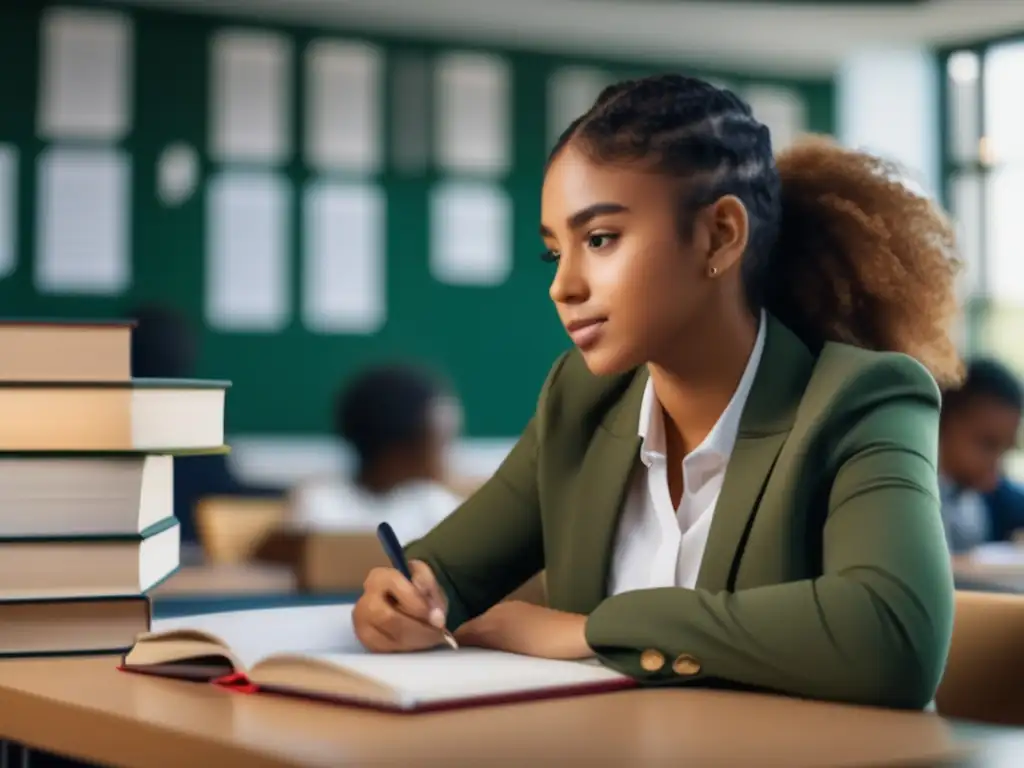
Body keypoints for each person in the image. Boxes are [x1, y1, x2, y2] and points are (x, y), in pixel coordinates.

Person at [352, 74, 962, 710]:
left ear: (720, 235)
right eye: (553, 252)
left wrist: (591, 632)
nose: (563, 286)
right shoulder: (579, 402)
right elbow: (445, 574)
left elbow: (893, 639)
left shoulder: (861, 401)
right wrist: (404, 597)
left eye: (600, 240)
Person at [129, 304, 282, 544]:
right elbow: (222, 494)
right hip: (190, 552)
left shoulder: (89, 417)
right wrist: (286, 495)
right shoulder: (198, 413)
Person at [288, 363, 464, 542]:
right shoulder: (319, 505)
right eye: (439, 444)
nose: (451, 457)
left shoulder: (437, 508)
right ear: (397, 454)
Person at [939, 357, 1024, 552]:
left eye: (1004, 450)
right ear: (944, 423)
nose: (996, 467)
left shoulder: (997, 501)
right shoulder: (908, 498)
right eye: (988, 445)